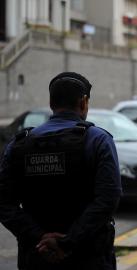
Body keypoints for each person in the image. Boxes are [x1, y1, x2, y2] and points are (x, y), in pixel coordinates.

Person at [0, 72, 122, 269]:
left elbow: (4, 203)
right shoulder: (98, 140)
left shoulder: (18, 145)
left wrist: (39, 237)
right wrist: (68, 242)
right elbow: (108, 199)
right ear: (83, 103)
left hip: (37, 256)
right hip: (89, 257)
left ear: (51, 103)